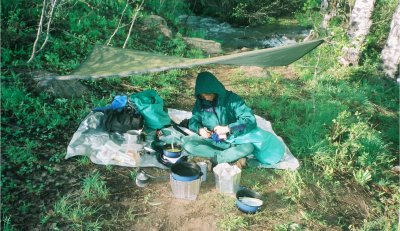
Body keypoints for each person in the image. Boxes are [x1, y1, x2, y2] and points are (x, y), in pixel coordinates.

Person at [182, 71, 257, 168]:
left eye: (207, 94)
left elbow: (249, 120)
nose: (206, 98)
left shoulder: (232, 100)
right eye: (202, 95)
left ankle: (214, 159)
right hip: (212, 141)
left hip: (233, 142)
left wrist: (228, 128)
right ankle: (227, 158)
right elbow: (193, 120)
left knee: (249, 147)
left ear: (215, 90)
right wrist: (200, 130)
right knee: (188, 145)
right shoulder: (201, 102)